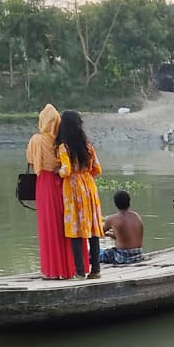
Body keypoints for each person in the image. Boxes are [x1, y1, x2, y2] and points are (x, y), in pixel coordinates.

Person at [26, 104, 76, 280]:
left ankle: (52, 270)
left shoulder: (36, 140)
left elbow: (31, 160)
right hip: (62, 183)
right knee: (64, 226)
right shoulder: (63, 142)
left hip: (44, 184)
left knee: (48, 226)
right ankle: (68, 269)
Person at [57, 111, 104, 279]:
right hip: (89, 187)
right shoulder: (87, 145)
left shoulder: (64, 147)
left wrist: (59, 172)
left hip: (73, 189)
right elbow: (97, 169)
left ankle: (79, 271)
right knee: (92, 229)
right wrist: (85, 175)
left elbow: (67, 170)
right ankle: (96, 270)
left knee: (75, 229)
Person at [100, 190, 145, 265]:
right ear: (129, 202)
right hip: (138, 254)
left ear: (115, 204)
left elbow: (99, 232)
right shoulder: (137, 216)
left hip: (122, 257)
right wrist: (113, 235)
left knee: (97, 253)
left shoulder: (112, 219)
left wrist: (108, 234)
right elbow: (128, 238)